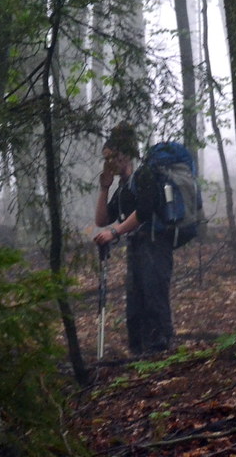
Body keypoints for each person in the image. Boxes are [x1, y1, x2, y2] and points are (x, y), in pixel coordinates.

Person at [93, 122, 174, 355]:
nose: (108, 163)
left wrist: (115, 232)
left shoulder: (145, 175)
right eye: (105, 158)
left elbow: (145, 211)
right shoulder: (123, 188)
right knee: (135, 301)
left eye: (111, 157)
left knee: (154, 296)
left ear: (125, 155)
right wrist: (104, 188)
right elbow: (102, 219)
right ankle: (139, 351)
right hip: (137, 247)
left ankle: (162, 351)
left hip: (156, 244)